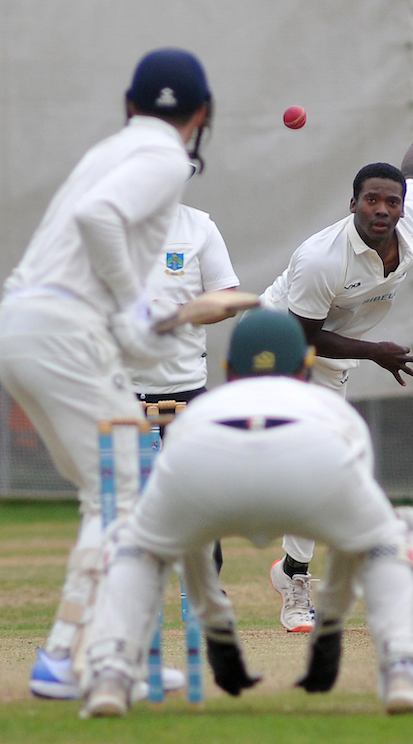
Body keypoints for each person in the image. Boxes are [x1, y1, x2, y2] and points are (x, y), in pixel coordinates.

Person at [80, 309, 413, 718]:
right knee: (398, 536)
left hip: (207, 448)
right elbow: (353, 543)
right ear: (307, 366)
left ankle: (111, 673)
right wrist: (328, 630)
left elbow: (190, 542)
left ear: (228, 370)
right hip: (312, 451)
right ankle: (403, 669)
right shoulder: (334, 410)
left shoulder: (199, 410)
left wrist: (218, 632)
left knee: (133, 543)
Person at [0, 47, 213, 701]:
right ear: (201, 114)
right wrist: (135, 303)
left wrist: (137, 321)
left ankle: (125, 662)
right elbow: (99, 220)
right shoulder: (167, 157)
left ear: (129, 105)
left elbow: (92, 239)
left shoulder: (105, 151)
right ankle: (69, 656)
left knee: (113, 493)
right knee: (129, 492)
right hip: (62, 331)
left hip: (22, 326)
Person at [260, 95, 413, 633]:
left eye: (391, 202)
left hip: (328, 354)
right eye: (371, 202)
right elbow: (303, 337)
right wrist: (376, 352)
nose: (383, 210)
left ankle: (293, 569)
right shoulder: (322, 261)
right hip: (278, 342)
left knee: (326, 470)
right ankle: (296, 586)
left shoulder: (408, 228)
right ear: (353, 205)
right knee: (310, 464)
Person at [133, 202, 241, 574]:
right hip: (121, 390)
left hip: (183, 388)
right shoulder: (107, 225)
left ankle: (206, 599)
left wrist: (182, 314)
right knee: (119, 505)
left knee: (198, 497)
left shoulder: (199, 227)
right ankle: (122, 601)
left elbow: (228, 298)